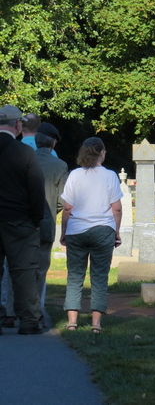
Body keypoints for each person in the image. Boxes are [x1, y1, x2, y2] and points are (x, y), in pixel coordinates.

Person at [60, 137, 123, 333]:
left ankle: (72, 322)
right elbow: (117, 208)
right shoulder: (110, 175)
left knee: (75, 276)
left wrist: (64, 232)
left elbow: (68, 207)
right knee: (99, 276)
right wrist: (116, 232)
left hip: (77, 230)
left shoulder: (75, 175)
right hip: (103, 230)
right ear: (102, 153)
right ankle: (96, 324)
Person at [0, 105, 45, 335]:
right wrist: (35, 219)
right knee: (24, 271)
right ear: (18, 125)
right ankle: (28, 321)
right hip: (18, 220)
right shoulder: (25, 153)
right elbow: (36, 190)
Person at [34, 123, 69, 322]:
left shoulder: (23, 159)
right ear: (53, 143)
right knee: (39, 270)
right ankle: (35, 310)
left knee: (15, 269)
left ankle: (11, 312)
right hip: (45, 223)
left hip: (20, 224)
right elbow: (62, 201)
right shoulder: (60, 165)